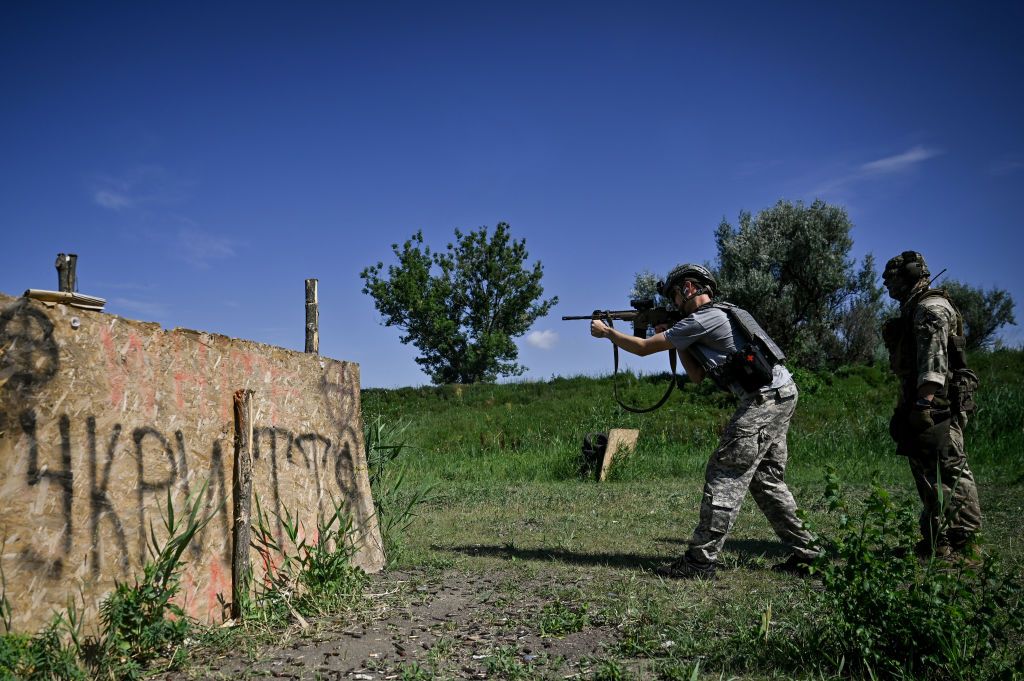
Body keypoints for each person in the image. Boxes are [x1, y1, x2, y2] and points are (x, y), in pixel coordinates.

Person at [589, 263, 817, 578]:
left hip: (764, 399)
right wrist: (674, 337)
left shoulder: (705, 317)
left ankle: (700, 561)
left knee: (725, 473)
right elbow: (696, 376)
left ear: (689, 288)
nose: (673, 303)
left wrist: (608, 333)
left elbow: (641, 349)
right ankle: (810, 555)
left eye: (675, 295)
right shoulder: (713, 316)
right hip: (779, 394)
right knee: (767, 481)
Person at [881, 251, 982, 559]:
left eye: (892, 278)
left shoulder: (931, 309)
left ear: (909, 276)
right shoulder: (916, 308)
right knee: (928, 471)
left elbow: (934, 363)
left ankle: (965, 545)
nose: (888, 285)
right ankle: (938, 541)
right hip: (923, 399)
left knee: (949, 470)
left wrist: (923, 405)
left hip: (937, 403)